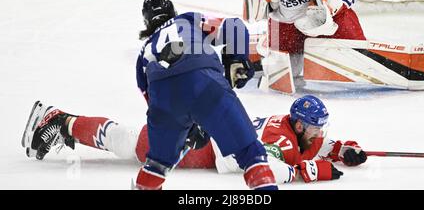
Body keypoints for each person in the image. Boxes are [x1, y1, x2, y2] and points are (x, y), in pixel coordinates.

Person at [22, 0, 278, 190]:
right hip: (209, 95)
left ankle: (66, 123)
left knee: (155, 164)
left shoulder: (143, 54)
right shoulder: (188, 20)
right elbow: (234, 25)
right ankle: (63, 122)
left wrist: (185, 125)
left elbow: (154, 106)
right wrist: (237, 58)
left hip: (171, 104)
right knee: (251, 155)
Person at [22, 94, 367, 185]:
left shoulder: (292, 129)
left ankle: (64, 122)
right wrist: (314, 172)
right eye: (316, 127)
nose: (320, 133)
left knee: (129, 139)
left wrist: (340, 149)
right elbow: (269, 169)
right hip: (199, 145)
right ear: (300, 124)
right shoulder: (285, 140)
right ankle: (60, 120)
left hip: (203, 134)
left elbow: (312, 146)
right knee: (130, 143)